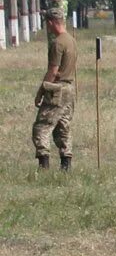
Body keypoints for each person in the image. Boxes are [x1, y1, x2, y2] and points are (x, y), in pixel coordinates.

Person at [32, 10, 75, 171]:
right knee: (63, 126)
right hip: (69, 89)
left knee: (41, 127)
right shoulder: (71, 40)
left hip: (56, 90)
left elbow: (52, 71)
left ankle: (44, 165)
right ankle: (66, 164)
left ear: (51, 22)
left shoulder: (57, 43)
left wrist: (41, 91)